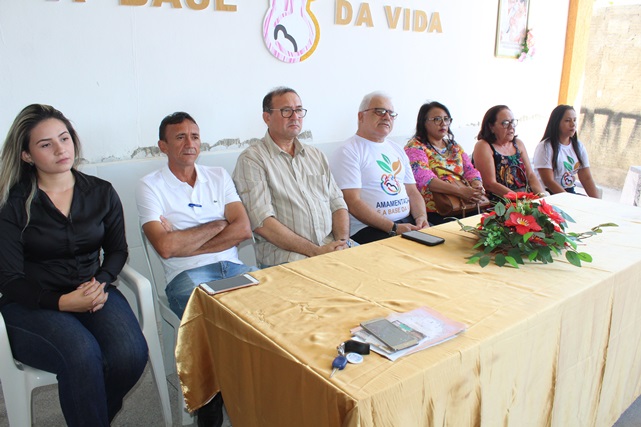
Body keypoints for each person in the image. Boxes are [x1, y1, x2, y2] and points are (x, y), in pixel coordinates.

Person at [0, 104, 148, 427]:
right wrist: (63, 302)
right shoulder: (12, 203)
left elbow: (117, 250)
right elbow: (9, 280)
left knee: (131, 354)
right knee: (82, 354)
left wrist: (101, 281)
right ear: (27, 155)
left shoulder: (101, 192)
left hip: (91, 289)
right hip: (32, 303)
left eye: (64, 138)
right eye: (46, 144)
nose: (60, 149)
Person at [136, 112, 254, 427]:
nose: (190, 143)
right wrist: (218, 224)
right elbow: (165, 247)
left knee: (272, 306)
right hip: (186, 276)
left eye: (195, 136)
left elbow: (243, 229)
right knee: (212, 322)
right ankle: (210, 406)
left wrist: (186, 241)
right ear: (163, 146)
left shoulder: (217, 175)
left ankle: (261, 392)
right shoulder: (150, 186)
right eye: (180, 137)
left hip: (234, 266)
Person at [233, 87, 351, 268]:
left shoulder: (316, 155)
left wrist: (342, 243)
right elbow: (262, 222)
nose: (295, 116)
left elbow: (337, 204)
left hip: (331, 249)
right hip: (288, 259)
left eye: (299, 110)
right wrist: (316, 252)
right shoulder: (252, 159)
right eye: (286, 111)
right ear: (267, 117)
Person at [331, 92, 428, 244]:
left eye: (391, 113)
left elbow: (412, 192)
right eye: (380, 111)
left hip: (407, 223)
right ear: (361, 116)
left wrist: (421, 218)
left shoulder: (397, 149)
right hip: (369, 229)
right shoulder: (348, 151)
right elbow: (352, 202)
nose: (387, 117)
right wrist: (393, 228)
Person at [405, 101, 486, 225]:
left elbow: (470, 170)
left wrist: (477, 186)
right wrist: (460, 191)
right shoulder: (414, 147)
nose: (443, 123)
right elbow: (424, 179)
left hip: (466, 204)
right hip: (437, 210)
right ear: (424, 122)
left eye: (446, 119)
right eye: (437, 119)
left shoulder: (454, 146)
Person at [472, 105, 546, 200]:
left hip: (525, 198)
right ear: (491, 127)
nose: (511, 127)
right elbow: (489, 184)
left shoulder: (518, 143)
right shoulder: (483, 146)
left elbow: (530, 175)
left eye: (513, 122)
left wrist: (542, 197)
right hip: (501, 201)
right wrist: (520, 199)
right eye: (505, 123)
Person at [533, 105, 600, 197]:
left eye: (574, 120)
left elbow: (586, 178)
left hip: (569, 192)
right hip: (549, 194)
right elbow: (548, 181)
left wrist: (596, 201)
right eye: (567, 120)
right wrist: (568, 199)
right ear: (557, 123)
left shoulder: (578, 146)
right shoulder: (545, 147)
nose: (573, 124)